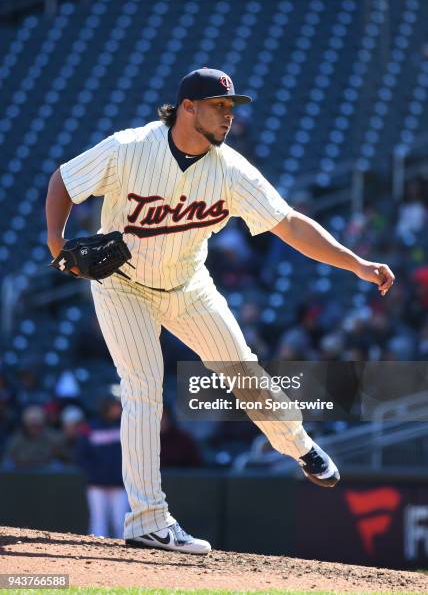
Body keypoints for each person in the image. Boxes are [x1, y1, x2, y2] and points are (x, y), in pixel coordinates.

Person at [45, 68, 395, 555]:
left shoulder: (230, 170)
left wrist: (355, 263)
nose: (229, 116)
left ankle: (299, 445)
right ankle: (148, 520)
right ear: (187, 107)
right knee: (143, 385)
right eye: (219, 106)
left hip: (188, 286)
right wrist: (57, 241)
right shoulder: (130, 147)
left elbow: (289, 223)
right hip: (123, 285)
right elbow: (64, 177)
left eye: (231, 108)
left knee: (242, 368)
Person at [75, 396, 128, 538]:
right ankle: (94, 554)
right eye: (114, 406)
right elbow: (81, 454)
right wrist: (95, 473)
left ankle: (125, 556)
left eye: (118, 406)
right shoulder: (90, 427)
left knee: (121, 523)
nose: (117, 409)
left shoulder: (128, 425)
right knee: (98, 523)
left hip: (120, 484)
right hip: (97, 484)